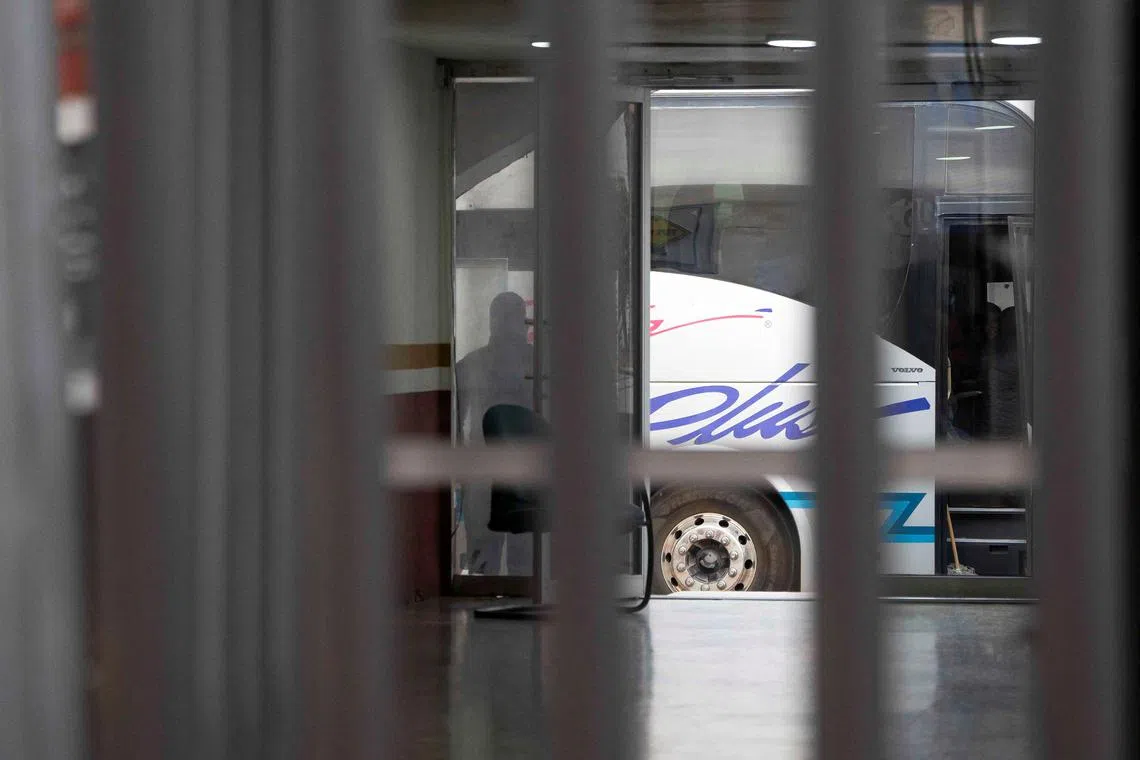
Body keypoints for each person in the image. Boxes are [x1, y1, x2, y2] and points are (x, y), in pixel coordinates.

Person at [454, 292, 535, 576]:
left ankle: (483, 607)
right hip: (522, 474)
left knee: (485, 559)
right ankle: (522, 608)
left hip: (484, 474)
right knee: (523, 560)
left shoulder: (470, 365)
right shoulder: (538, 366)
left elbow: (457, 423)